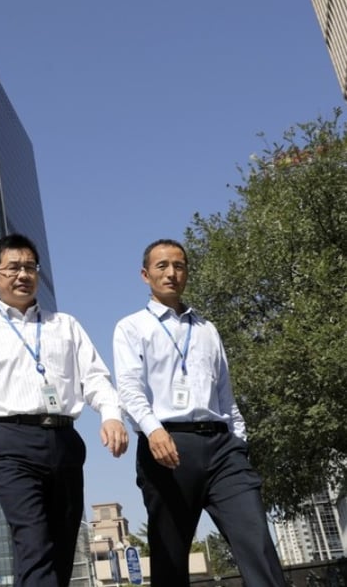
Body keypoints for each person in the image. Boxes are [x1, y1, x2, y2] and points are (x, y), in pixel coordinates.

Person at [0, 233, 128, 587]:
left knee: (61, 548)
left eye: (30, 267)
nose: (23, 274)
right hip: (11, 443)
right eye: (13, 268)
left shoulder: (66, 326)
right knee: (33, 542)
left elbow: (96, 378)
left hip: (65, 440)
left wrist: (111, 414)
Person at [113, 239, 287, 586]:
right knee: (171, 558)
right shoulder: (131, 327)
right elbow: (129, 389)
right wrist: (153, 430)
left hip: (223, 450)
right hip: (167, 447)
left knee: (257, 542)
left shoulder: (207, 329)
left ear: (187, 272)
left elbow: (225, 394)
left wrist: (238, 441)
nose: (172, 273)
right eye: (162, 266)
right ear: (145, 275)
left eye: (179, 265)